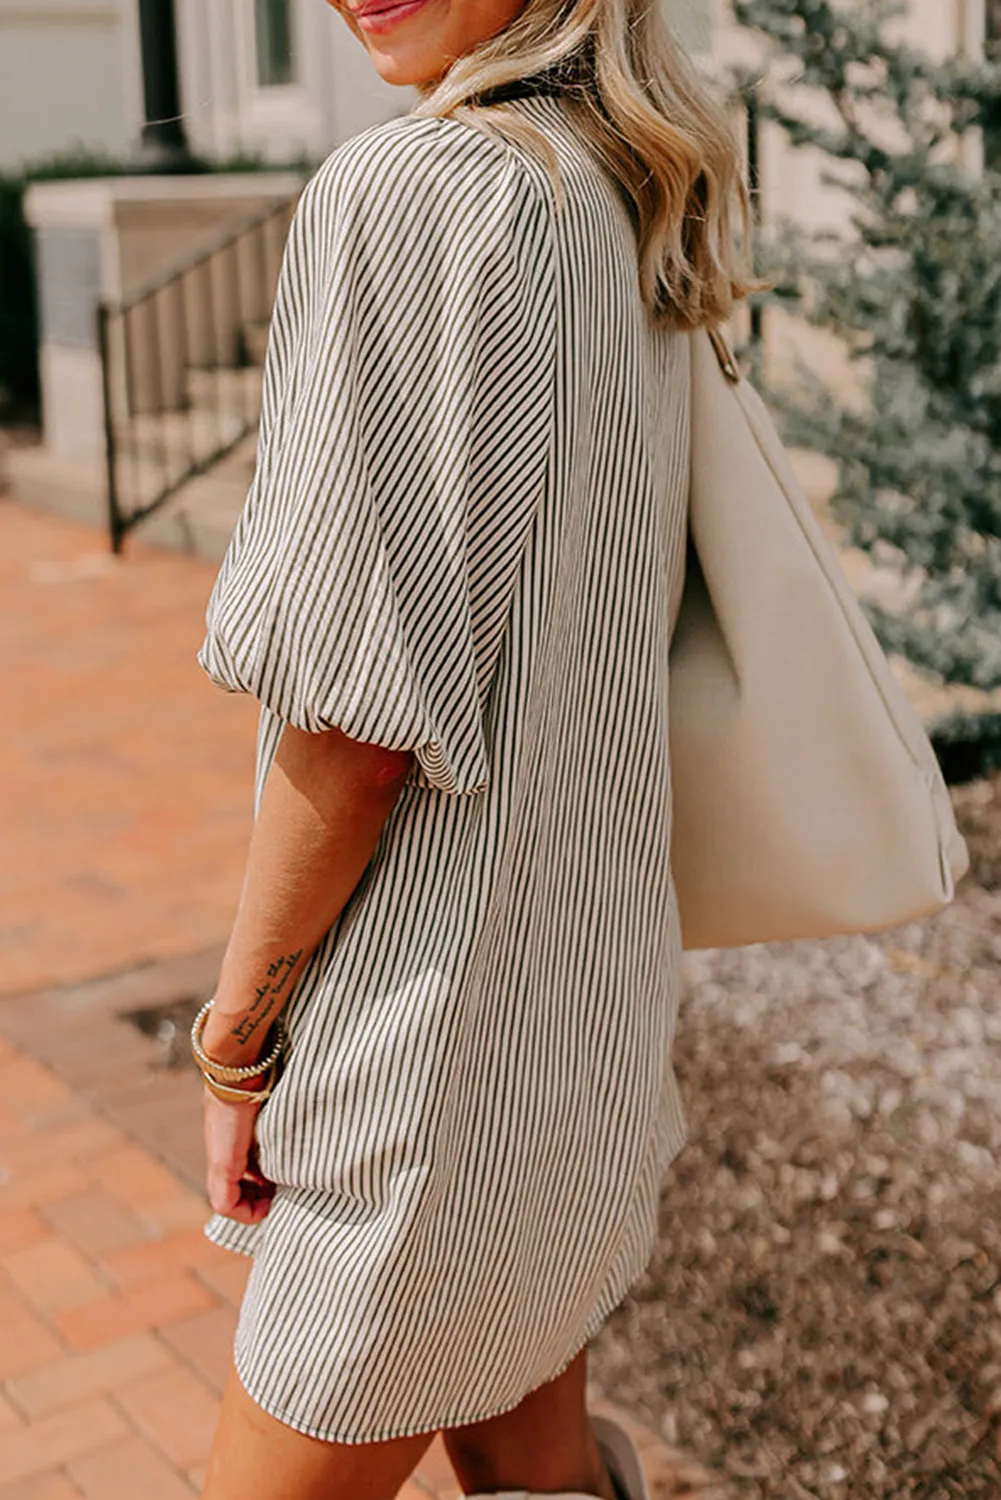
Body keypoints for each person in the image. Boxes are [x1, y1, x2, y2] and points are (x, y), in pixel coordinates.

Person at [193, 0, 752, 1494]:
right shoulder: (629, 186)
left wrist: (237, 1041)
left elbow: (353, 731)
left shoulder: (416, 193)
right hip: (581, 1025)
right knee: (536, 1464)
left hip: (421, 1070)